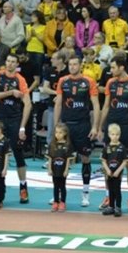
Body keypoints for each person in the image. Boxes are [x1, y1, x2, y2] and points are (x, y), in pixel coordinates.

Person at [98, 55, 128, 212]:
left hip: (126, 126)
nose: (111, 70)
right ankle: (108, 196)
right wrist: (100, 127)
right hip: (111, 126)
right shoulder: (110, 82)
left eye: (113, 67)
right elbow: (106, 106)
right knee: (108, 163)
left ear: (122, 67)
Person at [54, 56, 100, 207]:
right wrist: (56, 125)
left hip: (83, 125)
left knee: (85, 158)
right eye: (70, 64)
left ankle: (85, 193)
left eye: (75, 64)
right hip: (66, 125)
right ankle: (58, 194)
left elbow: (96, 105)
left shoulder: (88, 81)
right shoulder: (63, 81)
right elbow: (58, 104)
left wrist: (95, 127)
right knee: (61, 158)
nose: (72, 67)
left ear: (80, 66)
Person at [0, 54, 32, 204]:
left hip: (14, 119)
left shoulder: (20, 79)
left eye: (13, 62)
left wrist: (22, 127)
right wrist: (11, 92)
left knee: (18, 154)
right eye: (8, 61)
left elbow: (28, 104)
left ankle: (23, 188)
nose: (10, 64)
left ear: (17, 64)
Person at [101, 123, 128, 217]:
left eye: (117, 134)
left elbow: (125, 161)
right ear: (109, 135)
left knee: (117, 189)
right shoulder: (106, 147)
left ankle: (118, 207)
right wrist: (107, 170)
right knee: (110, 190)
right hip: (109, 172)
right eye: (113, 134)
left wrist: (118, 171)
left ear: (119, 135)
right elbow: (103, 161)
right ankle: (111, 206)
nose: (115, 136)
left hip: (117, 173)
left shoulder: (122, 147)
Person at [47, 123, 75, 213]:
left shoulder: (68, 145)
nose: (57, 134)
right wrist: (49, 169)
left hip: (62, 170)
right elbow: (50, 158)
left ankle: (62, 202)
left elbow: (68, 159)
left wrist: (67, 170)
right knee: (55, 186)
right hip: (54, 169)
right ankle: (56, 202)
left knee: (62, 186)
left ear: (65, 133)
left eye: (60, 132)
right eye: (56, 132)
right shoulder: (52, 144)